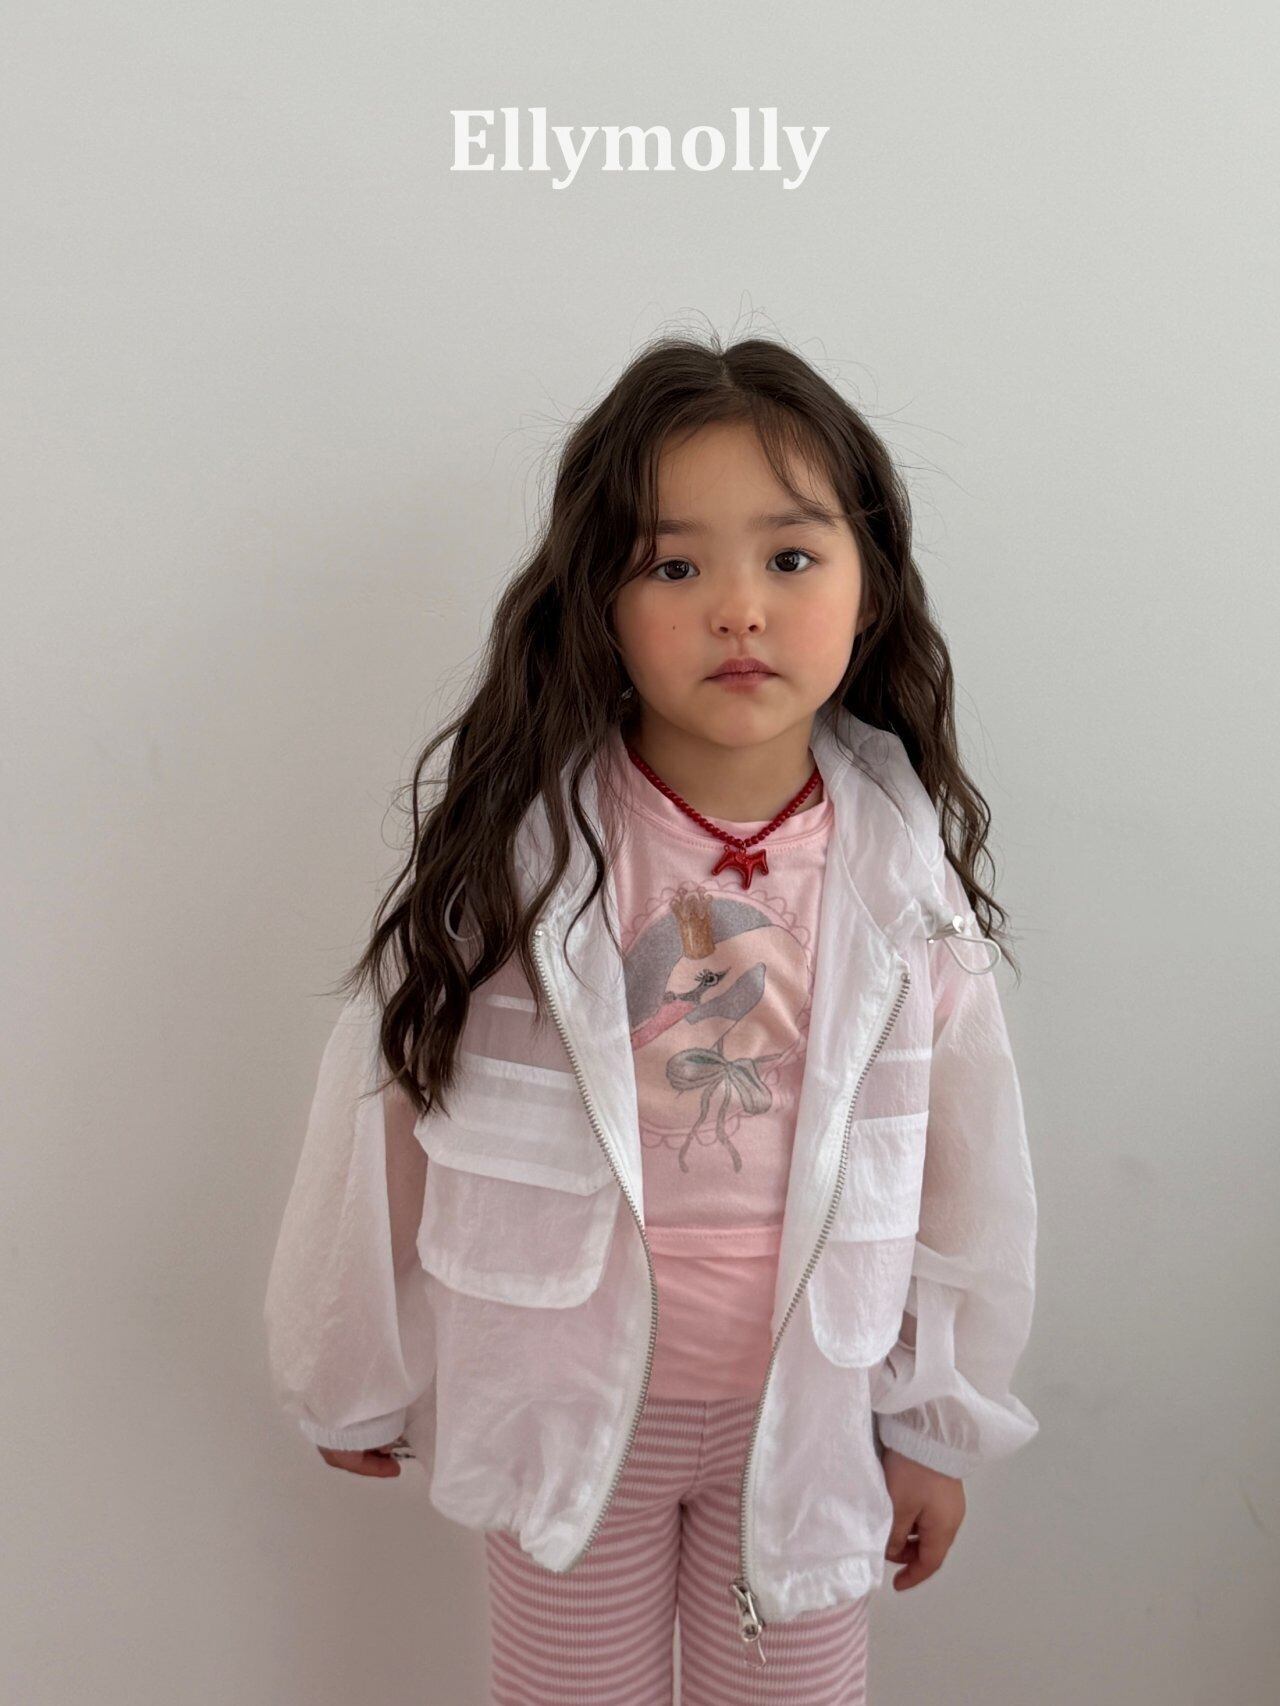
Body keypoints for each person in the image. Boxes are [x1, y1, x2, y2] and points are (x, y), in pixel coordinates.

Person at [262, 333, 1039, 1705]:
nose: (739, 608)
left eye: (789, 558)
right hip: (564, 1408)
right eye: (675, 568)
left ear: (868, 588)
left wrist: (933, 1422)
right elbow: (381, 1104)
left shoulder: (905, 885)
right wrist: (347, 1367)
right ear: (599, 603)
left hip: (806, 1421)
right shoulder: (520, 857)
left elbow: (968, 1171)